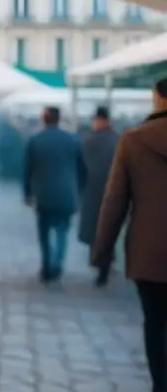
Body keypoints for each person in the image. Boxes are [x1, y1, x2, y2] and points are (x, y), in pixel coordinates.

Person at [91, 79, 167, 392]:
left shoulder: (134, 141)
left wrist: (102, 251)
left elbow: (115, 202)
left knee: (155, 322)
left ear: (159, 98)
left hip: (149, 252)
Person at [24, 106, 85, 283]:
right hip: (67, 194)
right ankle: (57, 265)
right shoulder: (73, 140)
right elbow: (82, 170)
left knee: (44, 233)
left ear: (44, 119)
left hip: (44, 195)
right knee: (62, 232)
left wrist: (28, 193)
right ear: (59, 119)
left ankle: (46, 267)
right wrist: (79, 191)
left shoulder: (35, 141)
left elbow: (28, 170)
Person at [78, 106, 118, 286]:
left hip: (94, 192)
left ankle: (100, 264)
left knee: (96, 230)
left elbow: (81, 168)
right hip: (115, 193)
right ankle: (105, 264)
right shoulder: (119, 140)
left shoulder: (89, 141)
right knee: (109, 229)